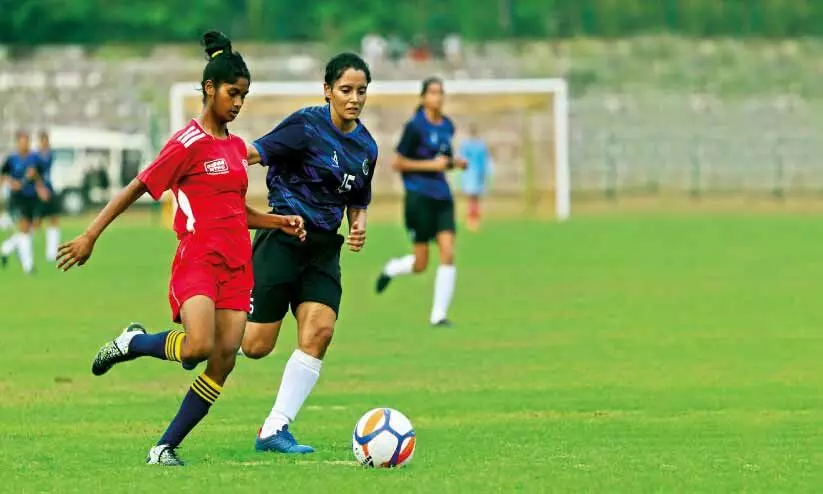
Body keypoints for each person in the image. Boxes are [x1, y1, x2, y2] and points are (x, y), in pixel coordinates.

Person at [56, 31, 306, 466]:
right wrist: (90, 235)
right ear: (210, 89)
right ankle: (134, 342)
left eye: (244, 95)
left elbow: (232, 209)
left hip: (237, 265)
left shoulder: (232, 147)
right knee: (196, 348)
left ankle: (164, 447)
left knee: (224, 359)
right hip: (198, 258)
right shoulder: (186, 143)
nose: (239, 103)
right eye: (233, 93)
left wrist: (275, 222)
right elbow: (137, 186)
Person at [240, 52, 377, 454]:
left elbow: (358, 198)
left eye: (362, 91)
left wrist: (359, 223)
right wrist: (213, 159)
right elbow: (255, 152)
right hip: (282, 237)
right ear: (327, 90)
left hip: (321, 250)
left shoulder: (366, 147)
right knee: (255, 346)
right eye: (346, 90)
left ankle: (274, 429)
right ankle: (186, 337)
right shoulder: (305, 125)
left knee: (320, 332)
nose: (354, 98)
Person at [375, 77, 466, 326]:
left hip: (442, 198)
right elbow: (398, 163)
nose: (438, 97)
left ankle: (439, 315)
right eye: (433, 93)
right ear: (424, 97)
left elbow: (443, 158)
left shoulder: (448, 125)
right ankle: (392, 268)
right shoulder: (414, 127)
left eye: (441, 93)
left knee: (448, 252)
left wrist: (454, 163)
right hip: (419, 198)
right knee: (421, 264)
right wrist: (430, 166)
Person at [0, 130, 44, 274]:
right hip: (17, 198)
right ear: (17, 143)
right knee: (24, 228)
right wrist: (12, 183)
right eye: (22, 141)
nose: (25, 144)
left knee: (30, 230)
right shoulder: (11, 159)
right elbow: (3, 176)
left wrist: (40, 186)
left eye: (27, 141)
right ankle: (28, 266)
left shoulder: (35, 158)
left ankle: (6, 248)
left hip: (31, 198)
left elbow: (40, 176)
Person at [34, 130, 62, 261]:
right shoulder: (36, 156)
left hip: (50, 190)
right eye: (43, 140)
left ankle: (52, 252)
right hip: (39, 192)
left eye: (47, 140)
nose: (45, 143)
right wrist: (40, 189)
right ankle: (13, 246)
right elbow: (34, 175)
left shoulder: (51, 154)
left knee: (54, 219)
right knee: (35, 224)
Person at [459, 124, 491, 232]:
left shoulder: (472, 145)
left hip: (471, 174)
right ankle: (473, 218)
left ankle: (473, 218)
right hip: (474, 173)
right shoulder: (476, 145)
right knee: (474, 198)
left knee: (472, 198)